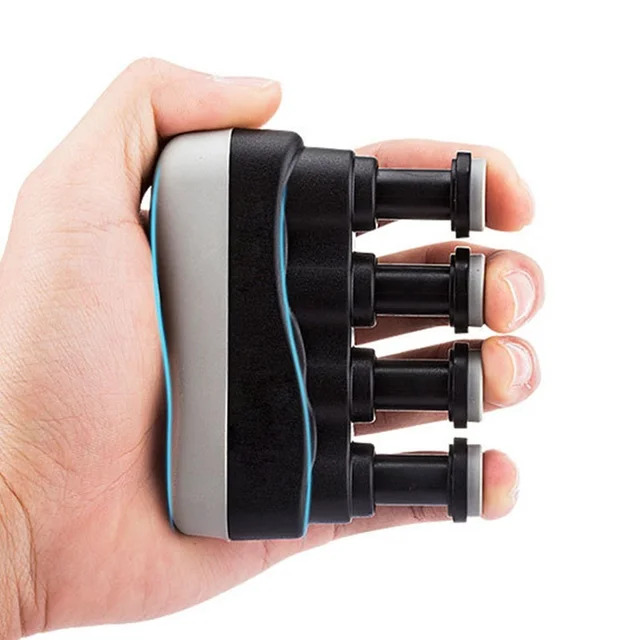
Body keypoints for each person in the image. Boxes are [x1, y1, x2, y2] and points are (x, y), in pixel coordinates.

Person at [0, 59, 543, 637]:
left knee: (359, 427)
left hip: (235, 485)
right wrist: (22, 533)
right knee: (364, 417)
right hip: (230, 484)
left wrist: (25, 538)